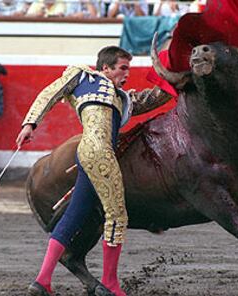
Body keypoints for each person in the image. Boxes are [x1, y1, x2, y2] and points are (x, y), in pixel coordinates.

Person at [15, 46, 172, 296]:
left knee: (74, 214)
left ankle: (42, 280)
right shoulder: (81, 76)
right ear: (105, 68)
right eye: (122, 68)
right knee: (117, 217)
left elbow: (153, 98)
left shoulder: (122, 98)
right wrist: (30, 123)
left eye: (128, 69)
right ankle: (110, 283)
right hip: (99, 152)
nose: (127, 73)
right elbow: (50, 92)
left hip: (89, 153)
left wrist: (174, 75)